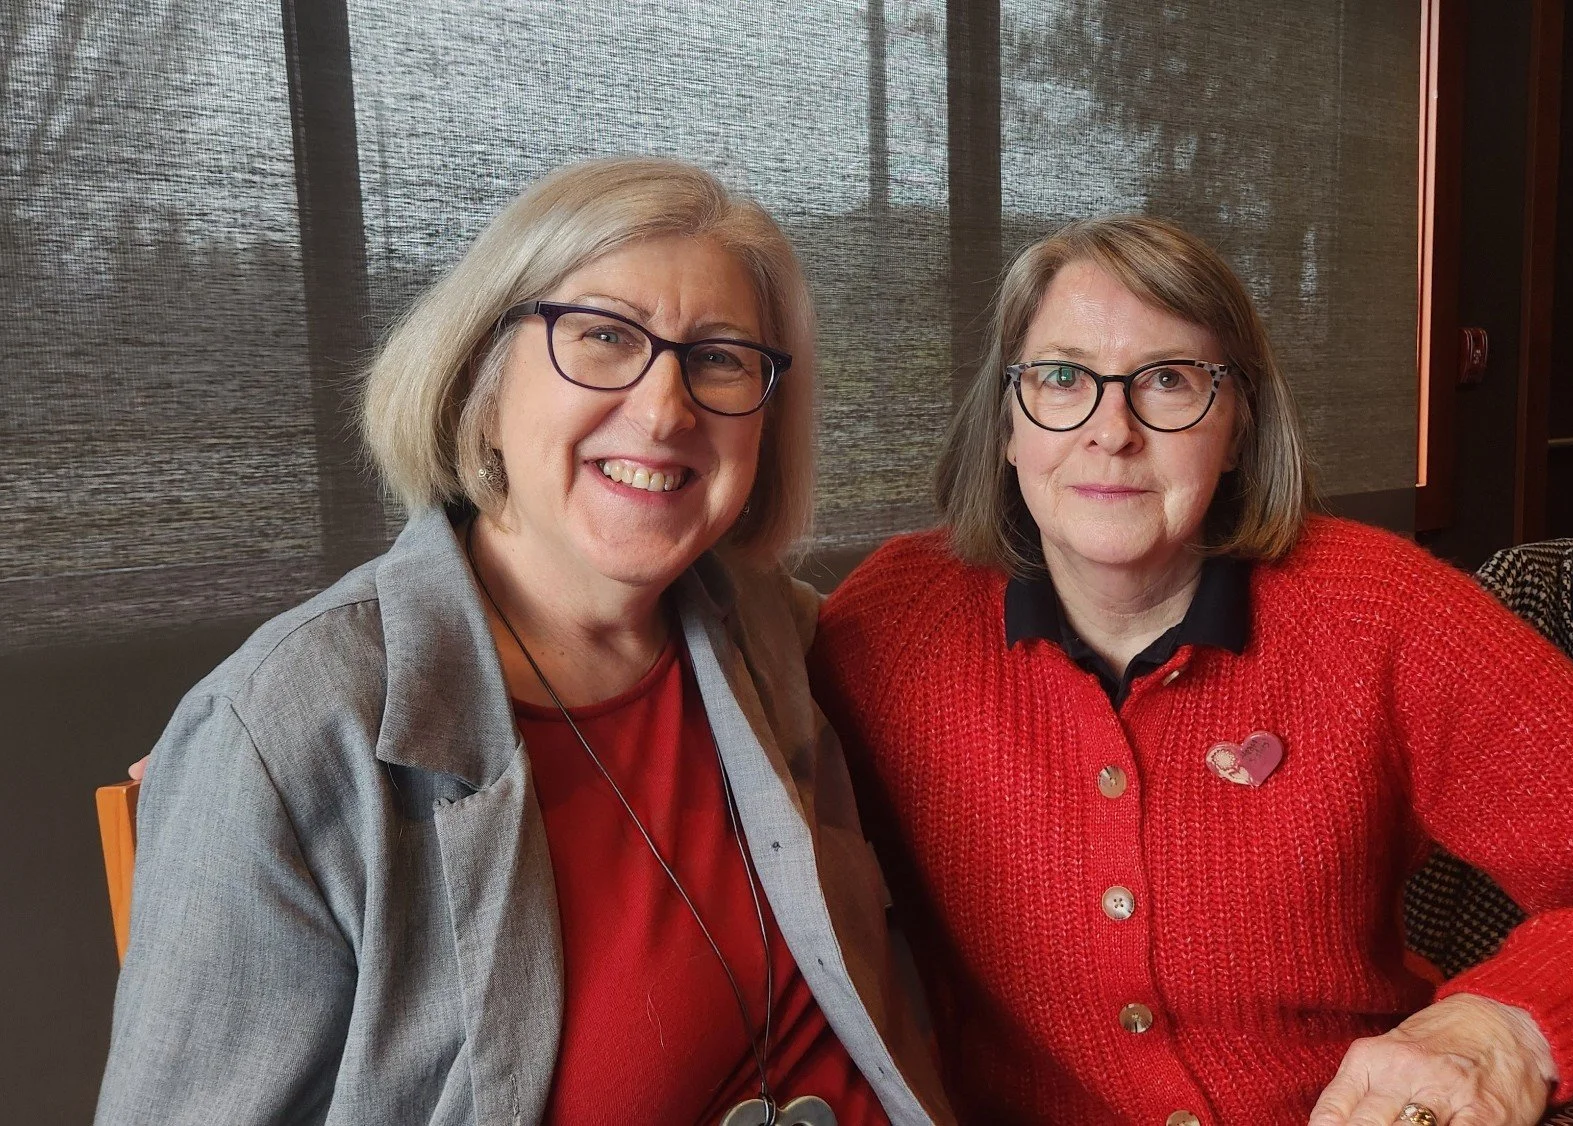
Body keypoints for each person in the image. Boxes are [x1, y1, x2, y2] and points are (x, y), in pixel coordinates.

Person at [96, 157, 951, 1126]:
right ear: (483, 377)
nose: (665, 409)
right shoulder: (301, 732)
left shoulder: (762, 628)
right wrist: (245, 753)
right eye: (601, 336)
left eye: (718, 358)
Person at [810, 216, 1573, 1125]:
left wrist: (1513, 1023)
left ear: (1236, 430)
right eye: (1063, 377)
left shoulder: (1380, 612)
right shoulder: (891, 624)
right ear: (1006, 426)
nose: (1112, 431)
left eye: (1170, 380)